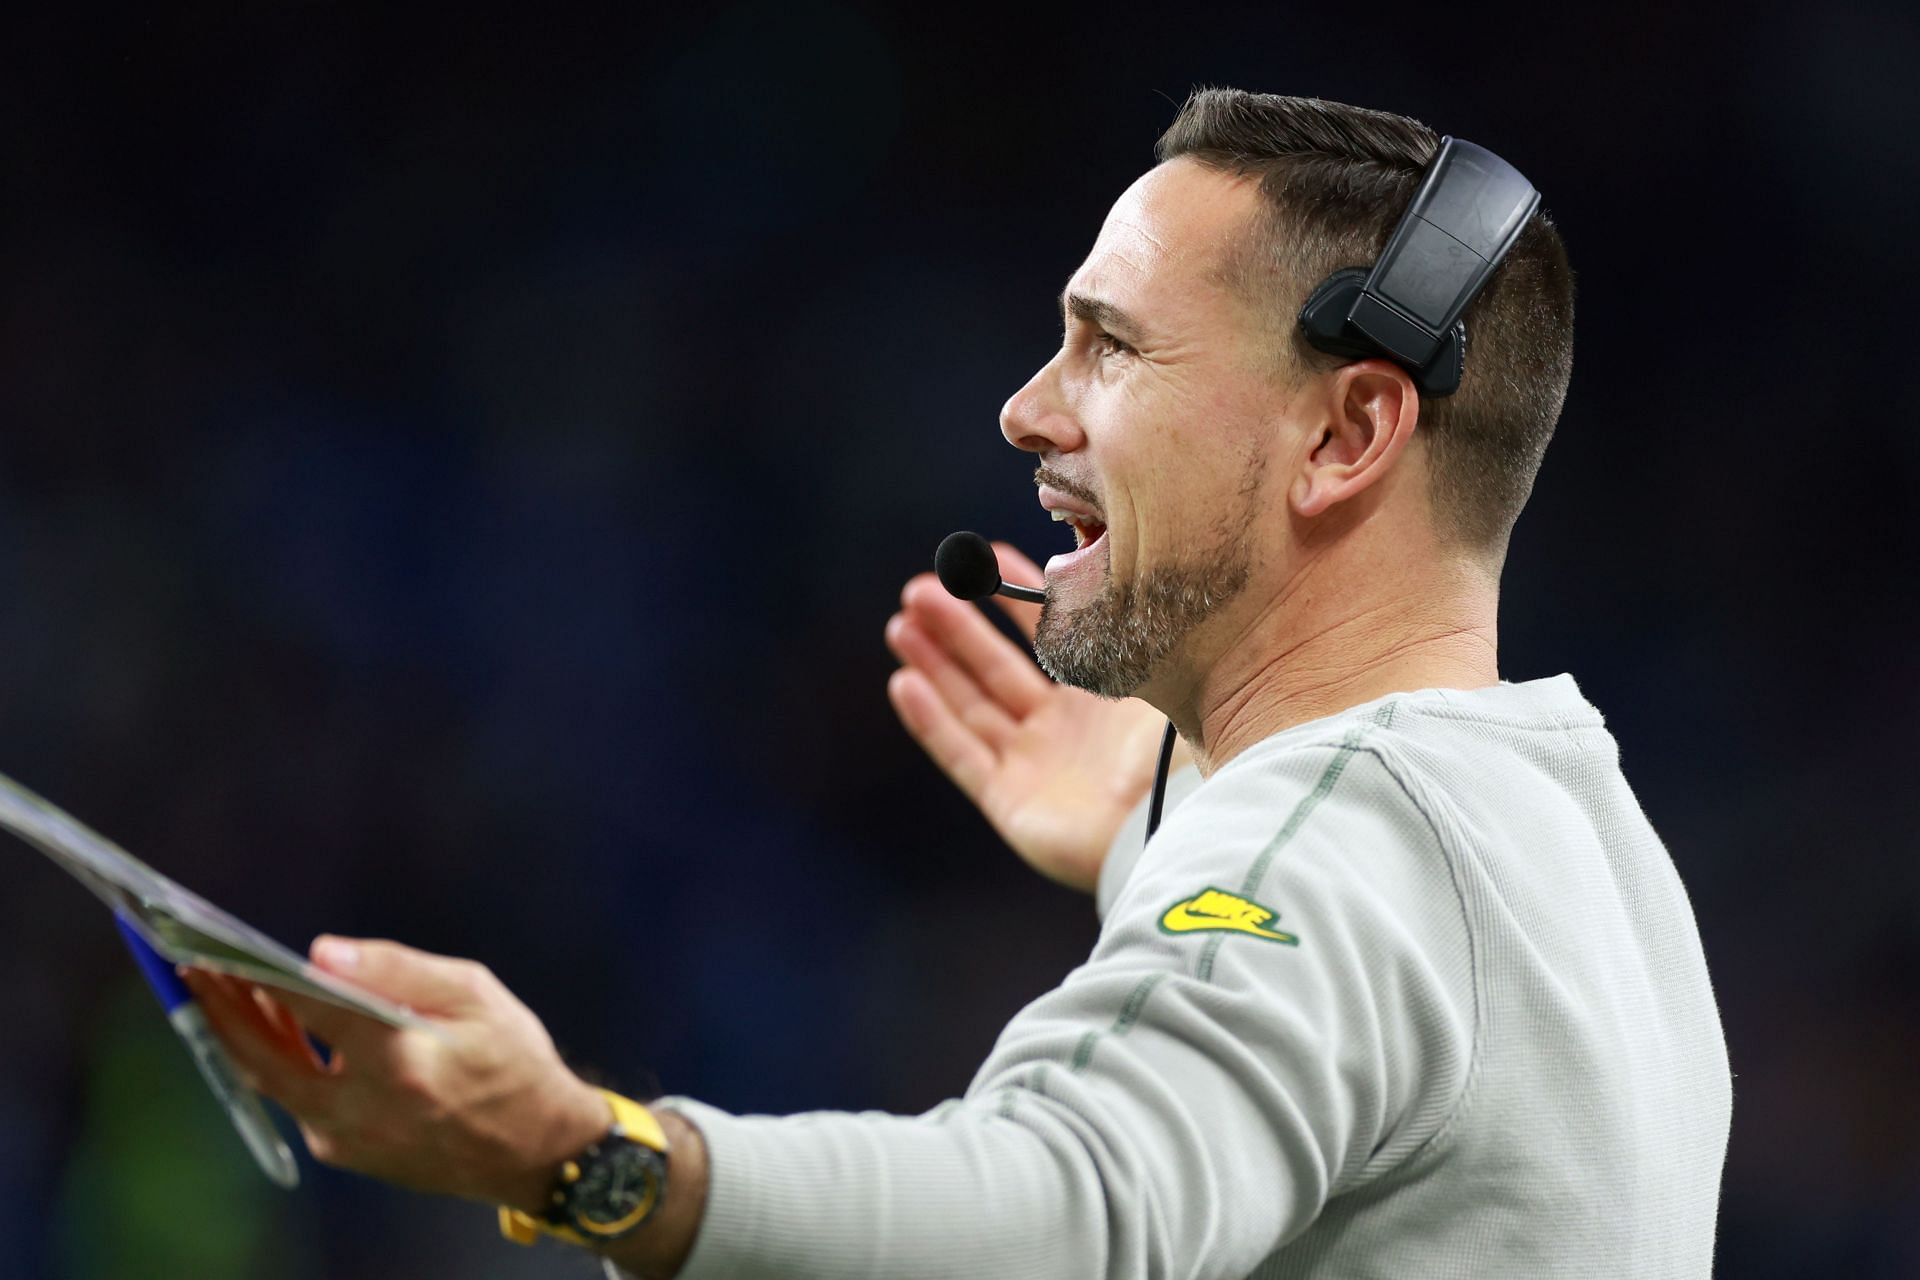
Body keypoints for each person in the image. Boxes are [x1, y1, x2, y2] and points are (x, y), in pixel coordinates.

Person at [186, 88, 1733, 1278]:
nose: (1023, 409)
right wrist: (1161, 834)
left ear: (1348, 434)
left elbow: (1069, 1208)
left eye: (1109, 349)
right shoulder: (1581, 844)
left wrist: (585, 1156)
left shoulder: (1339, 842)